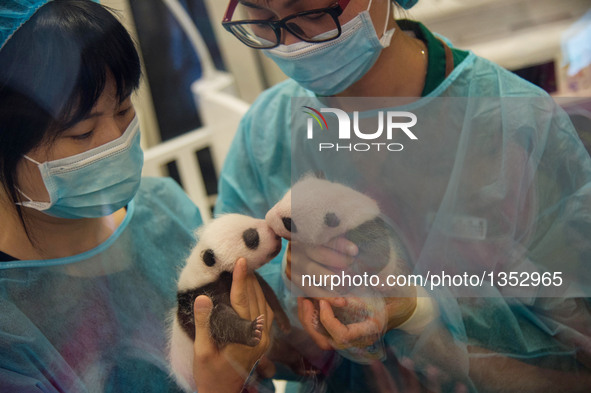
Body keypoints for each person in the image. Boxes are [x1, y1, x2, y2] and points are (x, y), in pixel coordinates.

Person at [208, 0, 591, 391]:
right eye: (263, 20)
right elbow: (250, 345)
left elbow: (578, 368)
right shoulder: (267, 134)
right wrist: (294, 301)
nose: (290, 43)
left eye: (314, 10)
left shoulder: (518, 128)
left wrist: (421, 318)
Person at [0, 1, 273, 392]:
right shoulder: (10, 323)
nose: (116, 140)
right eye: (82, 132)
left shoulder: (162, 211)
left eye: (124, 109)